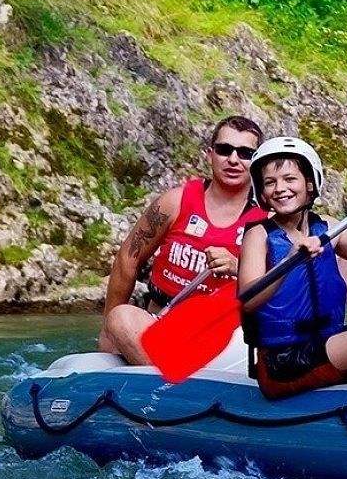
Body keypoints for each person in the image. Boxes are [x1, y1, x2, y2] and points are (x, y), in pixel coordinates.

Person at [99, 115, 266, 365]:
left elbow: (282, 286)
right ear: (210, 155)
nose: (233, 159)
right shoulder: (174, 202)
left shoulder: (267, 218)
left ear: (256, 162)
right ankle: (168, 383)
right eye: (224, 150)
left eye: (245, 153)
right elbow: (128, 257)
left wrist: (238, 268)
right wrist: (107, 332)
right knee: (120, 318)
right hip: (161, 323)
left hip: (226, 337)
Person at [237, 137, 347, 400]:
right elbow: (248, 300)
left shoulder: (331, 228)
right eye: (270, 182)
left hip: (326, 344)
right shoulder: (258, 236)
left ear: (310, 183)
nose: (280, 188)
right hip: (282, 361)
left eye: (290, 179)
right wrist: (289, 260)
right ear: (261, 192)